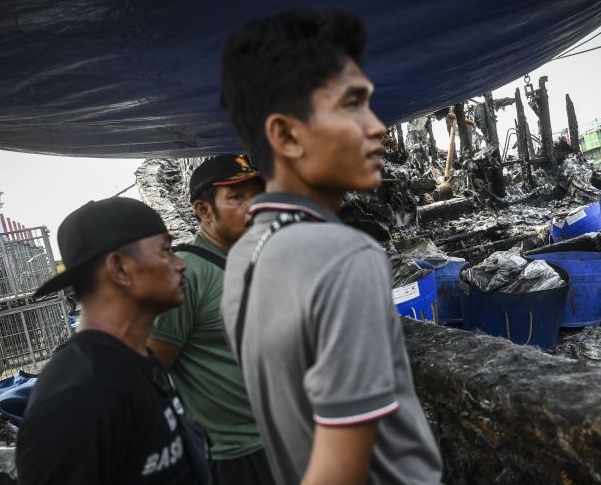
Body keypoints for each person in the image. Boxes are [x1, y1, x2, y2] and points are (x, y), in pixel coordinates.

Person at [219, 8, 443, 485]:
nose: (377, 125)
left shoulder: (244, 255)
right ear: (286, 135)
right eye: (352, 105)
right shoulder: (344, 257)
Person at [16, 197, 206, 484]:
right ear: (119, 269)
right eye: (166, 251)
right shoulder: (78, 395)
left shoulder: (137, 359)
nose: (180, 264)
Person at [147, 154, 273, 484]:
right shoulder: (187, 275)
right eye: (237, 197)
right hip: (238, 455)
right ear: (204, 210)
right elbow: (152, 371)